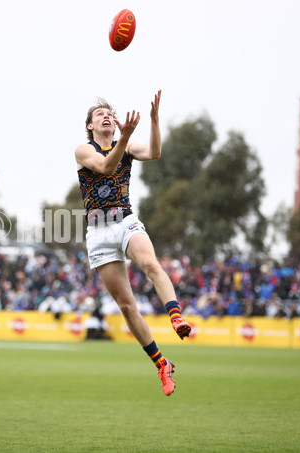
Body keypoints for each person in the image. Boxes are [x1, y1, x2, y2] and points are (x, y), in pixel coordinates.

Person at [75, 91, 191, 396]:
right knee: (126, 305)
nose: (106, 116)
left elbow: (154, 152)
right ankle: (161, 363)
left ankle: (176, 316)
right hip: (98, 231)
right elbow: (105, 167)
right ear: (90, 126)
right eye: (99, 114)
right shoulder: (83, 150)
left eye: (109, 113)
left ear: (114, 123)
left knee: (151, 263)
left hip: (124, 220)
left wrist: (153, 120)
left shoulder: (124, 143)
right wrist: (124, 139)